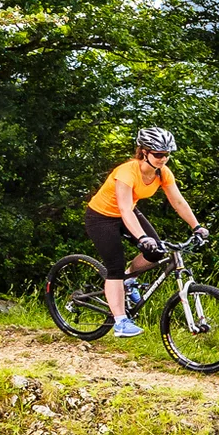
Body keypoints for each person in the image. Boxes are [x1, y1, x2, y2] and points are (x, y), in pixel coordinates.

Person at [84, 126, 206, 338]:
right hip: (101, 217)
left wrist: (197, 227)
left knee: (157, 252)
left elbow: (178, 201)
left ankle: (128, 281)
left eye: (167, 154)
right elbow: (123, 208)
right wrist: (142, 237)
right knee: (115, 267)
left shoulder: (163, 173)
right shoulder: (126, 171)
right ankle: (121, 322)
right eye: (158, 154)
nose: (163, 159)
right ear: (144, 152)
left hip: (128, 212)